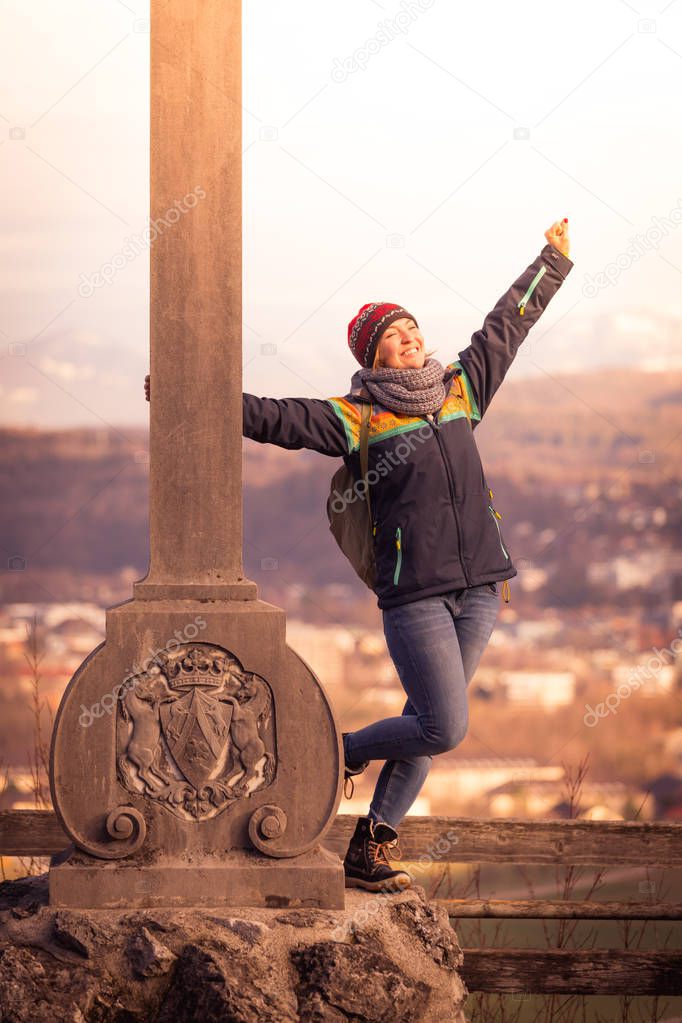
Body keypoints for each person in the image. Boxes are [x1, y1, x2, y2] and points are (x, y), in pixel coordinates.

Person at [145, 219, 573, 893]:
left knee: (425, 728)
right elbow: (276, 417)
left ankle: (369, 847)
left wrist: (550, 263)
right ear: (376, 355)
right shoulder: (359, 417)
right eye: (396, 336)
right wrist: (188, 396)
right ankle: (337, 752)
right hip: (417, 596)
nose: (413, 339)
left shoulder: (462, 388)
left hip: (483, 588)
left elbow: (505, 329)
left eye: (414, 329)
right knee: (442, 726)